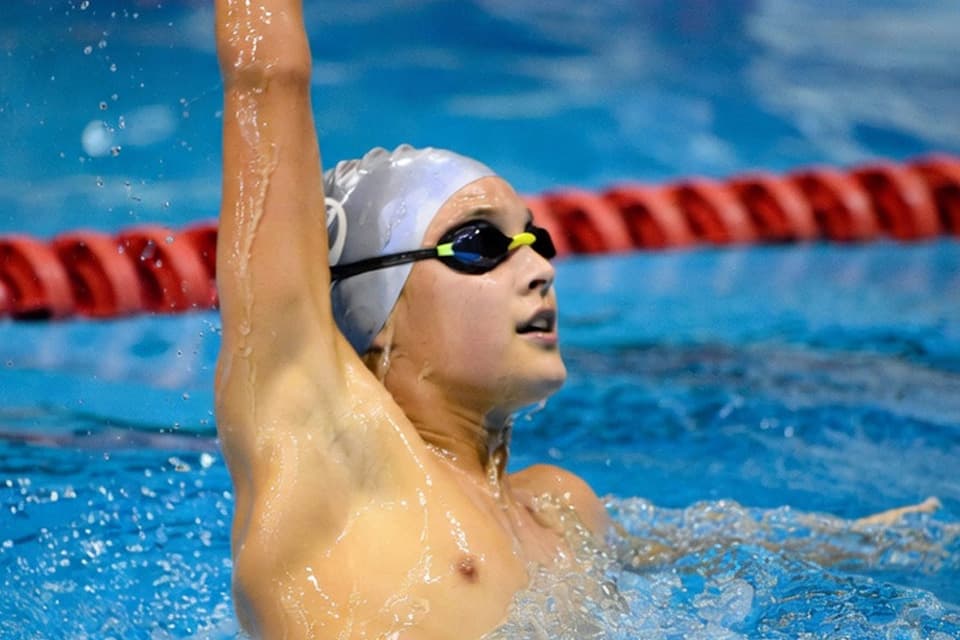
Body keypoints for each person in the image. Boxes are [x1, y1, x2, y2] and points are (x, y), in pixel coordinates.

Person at [214, 1, 607, 637]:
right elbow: (268, 75)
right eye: (481, 244)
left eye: (536, 240)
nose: (539, 268)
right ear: (379, 312)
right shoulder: (335, 466)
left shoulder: (562, 511)